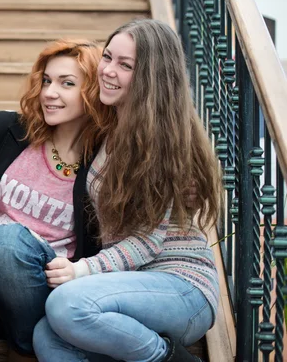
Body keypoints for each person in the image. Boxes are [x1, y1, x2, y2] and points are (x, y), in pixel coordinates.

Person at [32, 19, 222, 362]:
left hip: (180, 285)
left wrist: (81, 269)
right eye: (107, 57)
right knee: (47, 336)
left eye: (125, 65)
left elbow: (148, 243)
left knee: (66, 304)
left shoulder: (163, 141)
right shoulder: (111, 127)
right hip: (126, 286)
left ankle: (167, 358)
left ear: (150, 77)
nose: (107, 70)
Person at [0, 40, 116, 361]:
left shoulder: (105, 163)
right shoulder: (5, 129)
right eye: (46, 80)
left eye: (67, 83)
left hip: (42, 294)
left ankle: (36, 340)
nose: (49, 92)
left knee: (6, 241)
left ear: (93, 93)